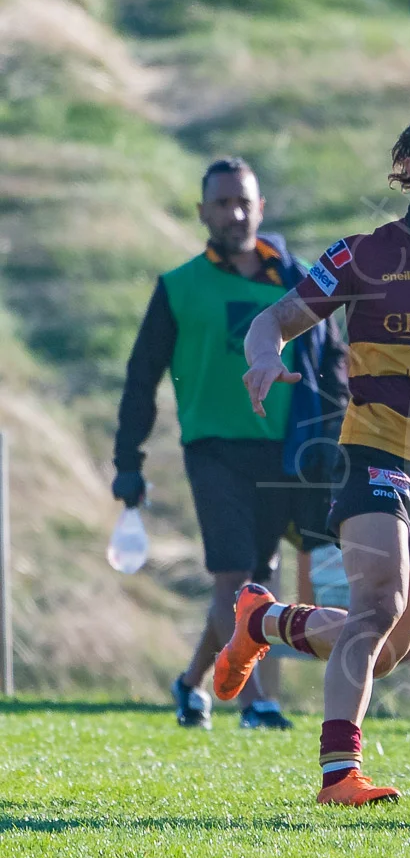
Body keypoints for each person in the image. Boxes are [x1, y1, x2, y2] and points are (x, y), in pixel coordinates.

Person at [214, 109, 410, 805]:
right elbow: (275, 320)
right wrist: (265, 359)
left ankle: (263, 622)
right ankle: (338, 774)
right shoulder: (364, 253)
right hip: (373, 448)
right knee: (376, 602)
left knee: (381, 648)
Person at [111, 157, 347, 731]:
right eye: (221, 203)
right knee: (235, 577)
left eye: (244, 202)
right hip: (213, 449)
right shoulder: (178, 288)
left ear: (261, 208)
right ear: (202, 212)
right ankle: (257, 704)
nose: (234, 213)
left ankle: (192, 683)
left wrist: (339, 441)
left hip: (286, 450)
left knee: (258, 586)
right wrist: (128, 461)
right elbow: (141, 379)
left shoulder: (299, 283)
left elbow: (336, 364)